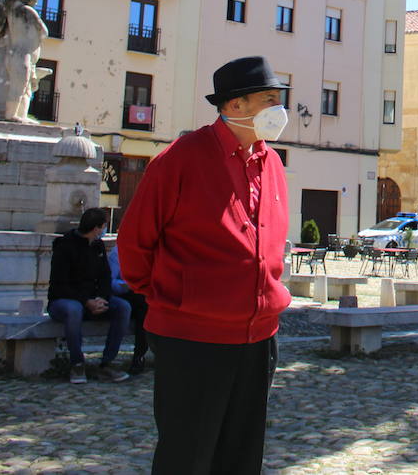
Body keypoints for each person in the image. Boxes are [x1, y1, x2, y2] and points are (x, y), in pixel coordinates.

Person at [118, 56, 292, 475]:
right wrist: (174, 298)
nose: (278, 110)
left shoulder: (271, 163)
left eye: (278, 100)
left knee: (241, 454)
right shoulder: (181, 158)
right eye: (268, 100)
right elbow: (135, 243)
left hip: (257, 339)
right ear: (234, 106)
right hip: (193, 337)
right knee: (188, 455)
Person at [47, 207, 131, 384]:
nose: (103, 231)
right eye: (103, 227)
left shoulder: (98, 246)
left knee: (123, 307)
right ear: (96, 228)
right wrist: (86, 301)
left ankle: (108, 362)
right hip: (65, 300)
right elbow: (60, 283)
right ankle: (77, 363)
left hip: (93, 299)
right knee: (74, 309)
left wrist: (102, 297)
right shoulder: (65, 246)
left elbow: (105, 276)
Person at [106, 242, 150, 373]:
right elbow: (110, 281)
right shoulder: (118, 252)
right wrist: (125, 285)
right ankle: (139, 356)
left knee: (145, 304)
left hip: (144, 295)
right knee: (142, 305)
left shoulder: (150, 250)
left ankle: (140, 354)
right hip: (124, 294)